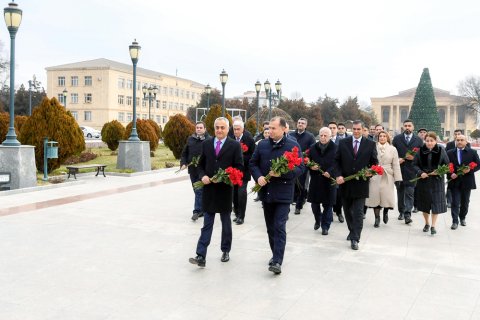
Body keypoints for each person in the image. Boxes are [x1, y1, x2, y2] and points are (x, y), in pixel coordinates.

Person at [250, 116, 305, 274]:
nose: (270, 131)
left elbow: (300, 168)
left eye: (273, 128)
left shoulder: (292, 145)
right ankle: (275, 254)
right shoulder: (262, 145)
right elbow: (253, 163)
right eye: (268, 128)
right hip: (266, 192)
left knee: (279, 226)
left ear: (283, 129)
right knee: (270, 227)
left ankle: (277, 261)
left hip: (284, 192)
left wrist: (282, 172)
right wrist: (259, 176)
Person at [189, 117, 243, 268]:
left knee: (226, 223)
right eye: (217, 127)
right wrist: (203, 176)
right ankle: (201, 255)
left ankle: (225, 250)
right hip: (209, 190)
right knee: (207, 223)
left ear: (228, 129)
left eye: (222, 128)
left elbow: (239, 167)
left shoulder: (234, 145)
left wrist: (226, 177)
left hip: (225, 190)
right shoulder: (206, 144)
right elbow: (200, 166)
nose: (219, 130)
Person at [334, 120, 378, 250]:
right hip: (345, 183)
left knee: (358, 212)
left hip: (361, 184)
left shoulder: (370, 144)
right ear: (351, 129)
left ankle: (355, 238)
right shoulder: (343, 143)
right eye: (354, 129)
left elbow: (374, 163)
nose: (356, 131)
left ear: (363, 129)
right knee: (347, 211)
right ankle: (352, 230)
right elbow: (336, 161)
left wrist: (371, 172)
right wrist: (338, 175)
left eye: (359, 129)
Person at [412, 131, 449, 235]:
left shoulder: (441, 150)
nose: (429, 143)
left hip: (437, 182)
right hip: (424, 181)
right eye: (427, 141)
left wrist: (439, 171)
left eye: (431, 141)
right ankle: (427, 223)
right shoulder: (420, 151)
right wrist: (420, 172)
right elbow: (414, 165)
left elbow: (447, 165)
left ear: (435, 141)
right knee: (425, 204)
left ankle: (433, 225)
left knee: (436, 204)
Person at [365, 131, 402, 227]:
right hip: (375, 174)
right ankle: (377, 218)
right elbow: (369, 161)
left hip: (387, 175)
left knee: (386, 197)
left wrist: (398, 178)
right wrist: (368, 172)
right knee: (375, 197)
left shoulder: (393, 149)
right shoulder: (372, 147)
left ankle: (386, 211)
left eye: (384, 136)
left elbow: (396, 164)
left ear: (387, 138)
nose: (382, 138)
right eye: (380, 136)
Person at [306, 127, 337, 235]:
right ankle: (317, 219)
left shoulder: (336, 148)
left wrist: (330, 171)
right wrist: (311, 166)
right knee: (314, 204)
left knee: (328, 205)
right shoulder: (313, 147)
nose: (323, 138)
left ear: (330, 136)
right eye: (321, 135)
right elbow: (307, 160)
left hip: (329, 181)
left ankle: (325, 226)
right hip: (316, 180)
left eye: (325, 136)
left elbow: (337, 163)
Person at [392, 119, 424, 224]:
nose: (407, 127)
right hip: (399, 170)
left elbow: (422, 155)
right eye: (405, 125)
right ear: (403, 127)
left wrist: (413, 158)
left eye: (409, 126)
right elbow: (392, 154)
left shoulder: (418, 140)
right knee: (400, 192)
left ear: (413, 127)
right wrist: (397, 160)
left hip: (412, 171)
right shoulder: (396, 139)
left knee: (410, 193)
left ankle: (407, 214)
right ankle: (401, 211)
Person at [446, 134, 480, 229]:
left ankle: (462, 218)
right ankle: (455, 221)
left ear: (466, 142)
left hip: (467, 181)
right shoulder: (449, 152)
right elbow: (446, 166)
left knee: (465, 202)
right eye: (458, 140)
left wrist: (470, 170)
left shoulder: (472, 152)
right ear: (455, 141)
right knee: (455, 202)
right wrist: (450, 174)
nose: (460, 142)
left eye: (462, 140)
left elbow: (478, 164)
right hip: (454, 181)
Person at [180, 121, 210, 221]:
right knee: (196, 189)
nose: (199, 129)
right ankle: (202, 208)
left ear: (205, 129)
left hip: (203, 171)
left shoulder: (209, 140)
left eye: (201, 127)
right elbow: (184, 153)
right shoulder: (190, 139)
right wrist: (183, 163)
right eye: (197, 127)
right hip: (192, 170)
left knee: (199, 190)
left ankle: (196, 211)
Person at [290, 118, 316, 215]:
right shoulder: (291, 135)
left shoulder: (310, 136)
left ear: (306, 125)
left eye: (303, 123)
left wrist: (305, 156)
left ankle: (298, 206)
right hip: (291, 164)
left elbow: (313, 149)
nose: (300, 124)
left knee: (301, 186)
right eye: (299, 123)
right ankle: (289, 204)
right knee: (291, 184)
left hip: (303, 165)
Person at [232, 120, 256, 225]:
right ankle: (237, 213)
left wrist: (240, 157)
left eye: (238, 129)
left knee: (241, 193)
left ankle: (241, 216)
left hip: (244, 171)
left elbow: (253, 156)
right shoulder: (230, 138)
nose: (236, 131)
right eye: (234, 129)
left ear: (242, 129)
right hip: (232, 172)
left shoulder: (249, 140)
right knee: (234, 194)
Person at [332, 122, 347, 223]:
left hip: (338, 170)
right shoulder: (324, 139)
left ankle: (339, 212)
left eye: (334, 128)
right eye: (330, 128)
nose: (332, 130)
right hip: (327, 171)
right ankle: (330, 211)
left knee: (338, 194)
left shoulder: (342, 141)